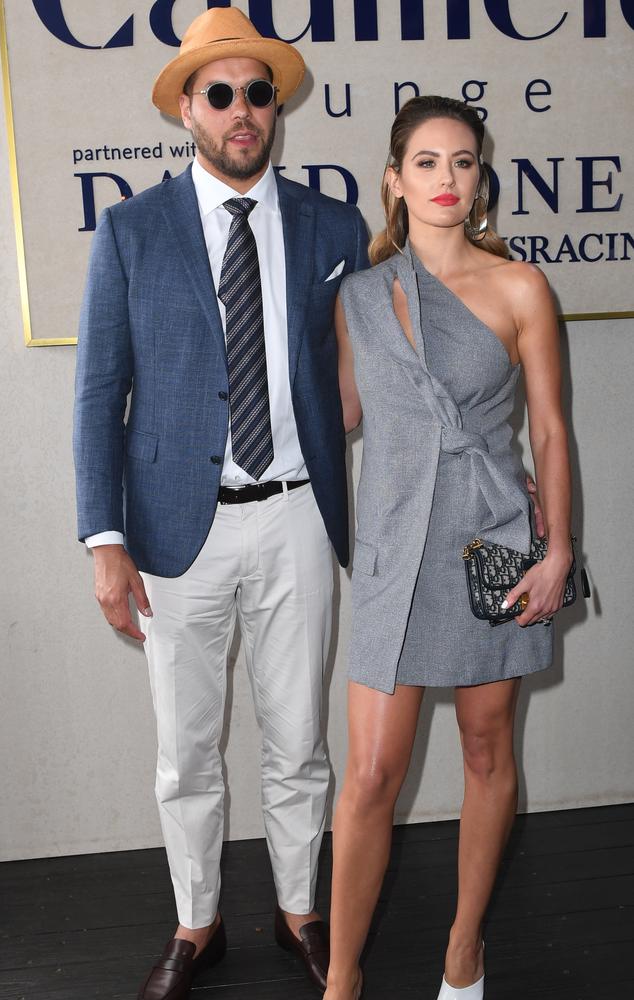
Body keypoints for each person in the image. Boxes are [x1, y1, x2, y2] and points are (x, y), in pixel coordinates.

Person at [73, 9, 369, 999]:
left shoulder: (332, 226)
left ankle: (299, 912)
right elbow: (97, 389)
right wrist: (103, 536)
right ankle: (196, 923)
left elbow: (362, 370)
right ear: (187, 111)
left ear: (274, 108)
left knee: (299, 741)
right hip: (170, 533)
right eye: (221, 94)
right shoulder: (129, 229)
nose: (243, 112)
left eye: (258, 93)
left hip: (295, 515)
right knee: (185, 751)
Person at [325, 95, 573, 1000]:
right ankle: (342, 979)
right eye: (426, 162)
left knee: (484, 749)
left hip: (493, 539)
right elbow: (341, 414)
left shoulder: (520, 289)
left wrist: (557, 549)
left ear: (481, 181)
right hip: (396, 544)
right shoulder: (356, 295)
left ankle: (464, 950)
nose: (445, 180)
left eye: (463, 162)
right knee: (371, 777)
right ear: (393, 180)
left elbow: (548, 431)